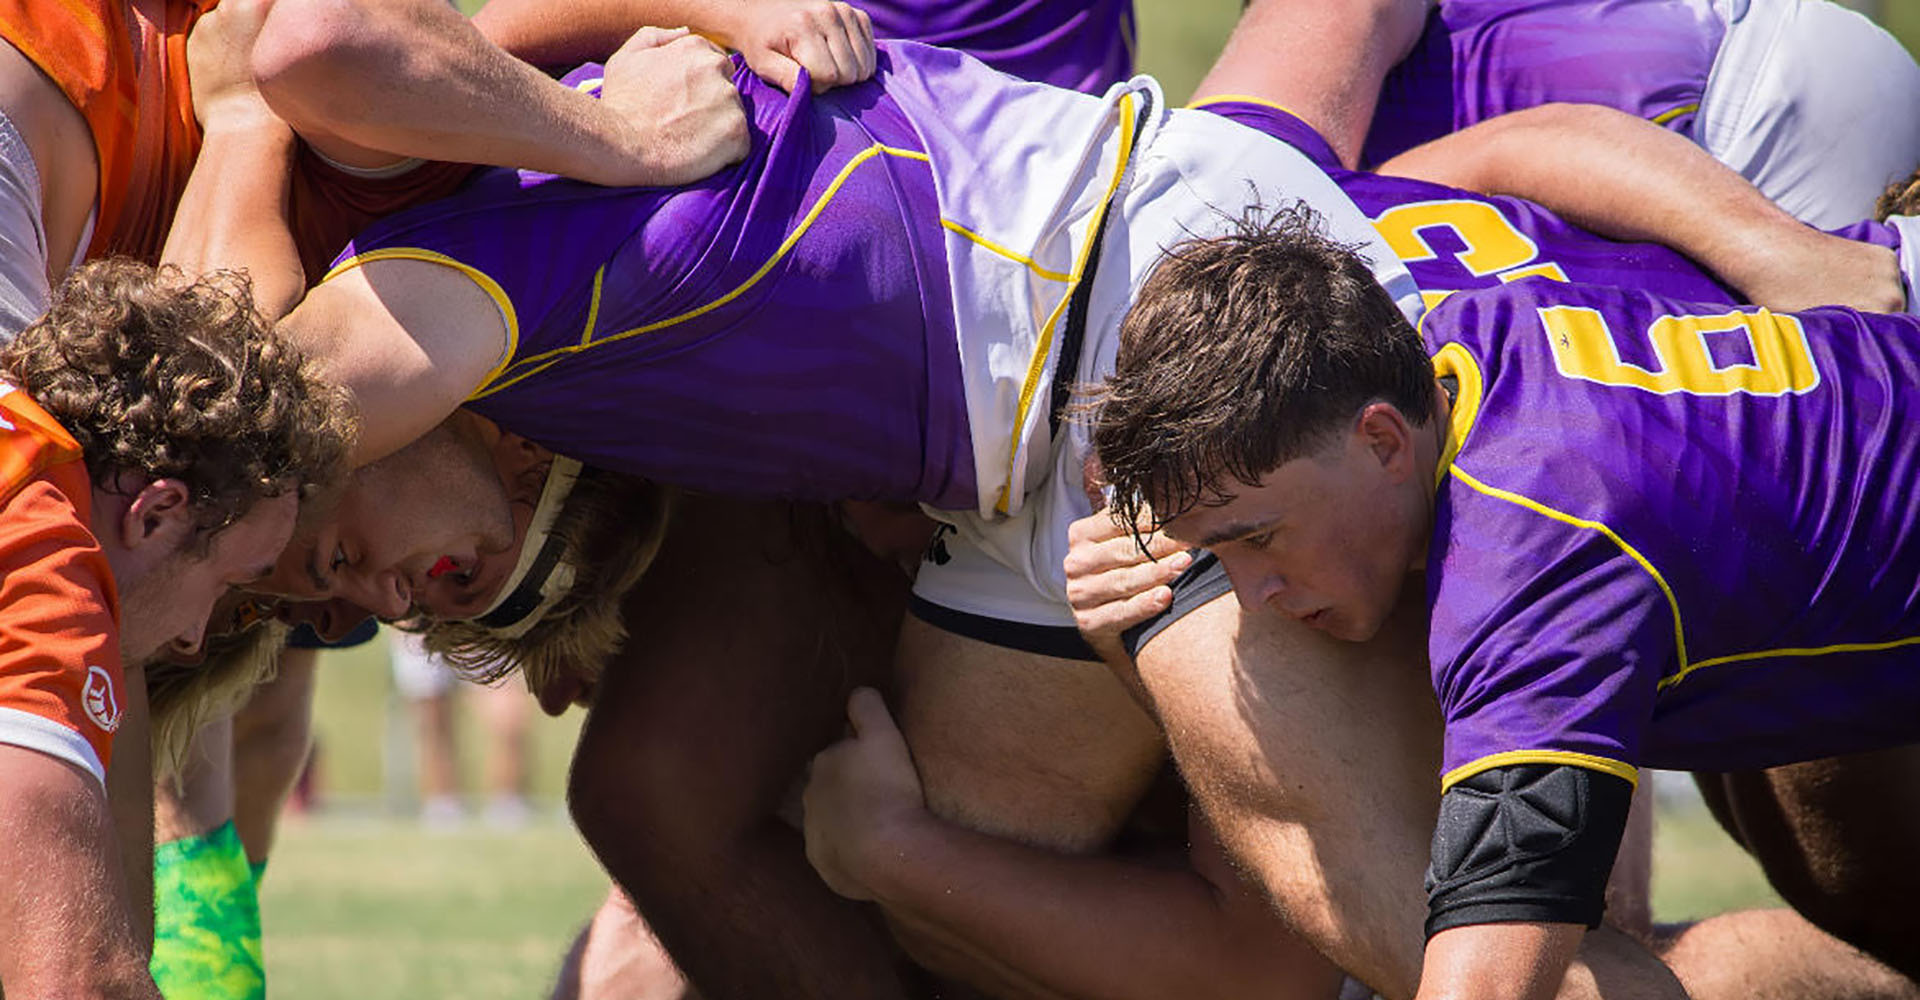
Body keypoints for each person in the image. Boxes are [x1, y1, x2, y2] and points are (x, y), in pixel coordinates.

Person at [1083, 204, 1920, 1000]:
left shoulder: (1533, 570)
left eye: (1259, 538)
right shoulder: (1452, 337)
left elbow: (1486, 985)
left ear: (1380, 440)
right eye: (1215, 550)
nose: (1251, 596)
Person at [0, 258, 348, 996]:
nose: (194, 638)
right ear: (156, 513)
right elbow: (79, 979)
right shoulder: (39, 555)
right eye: (226, 583)